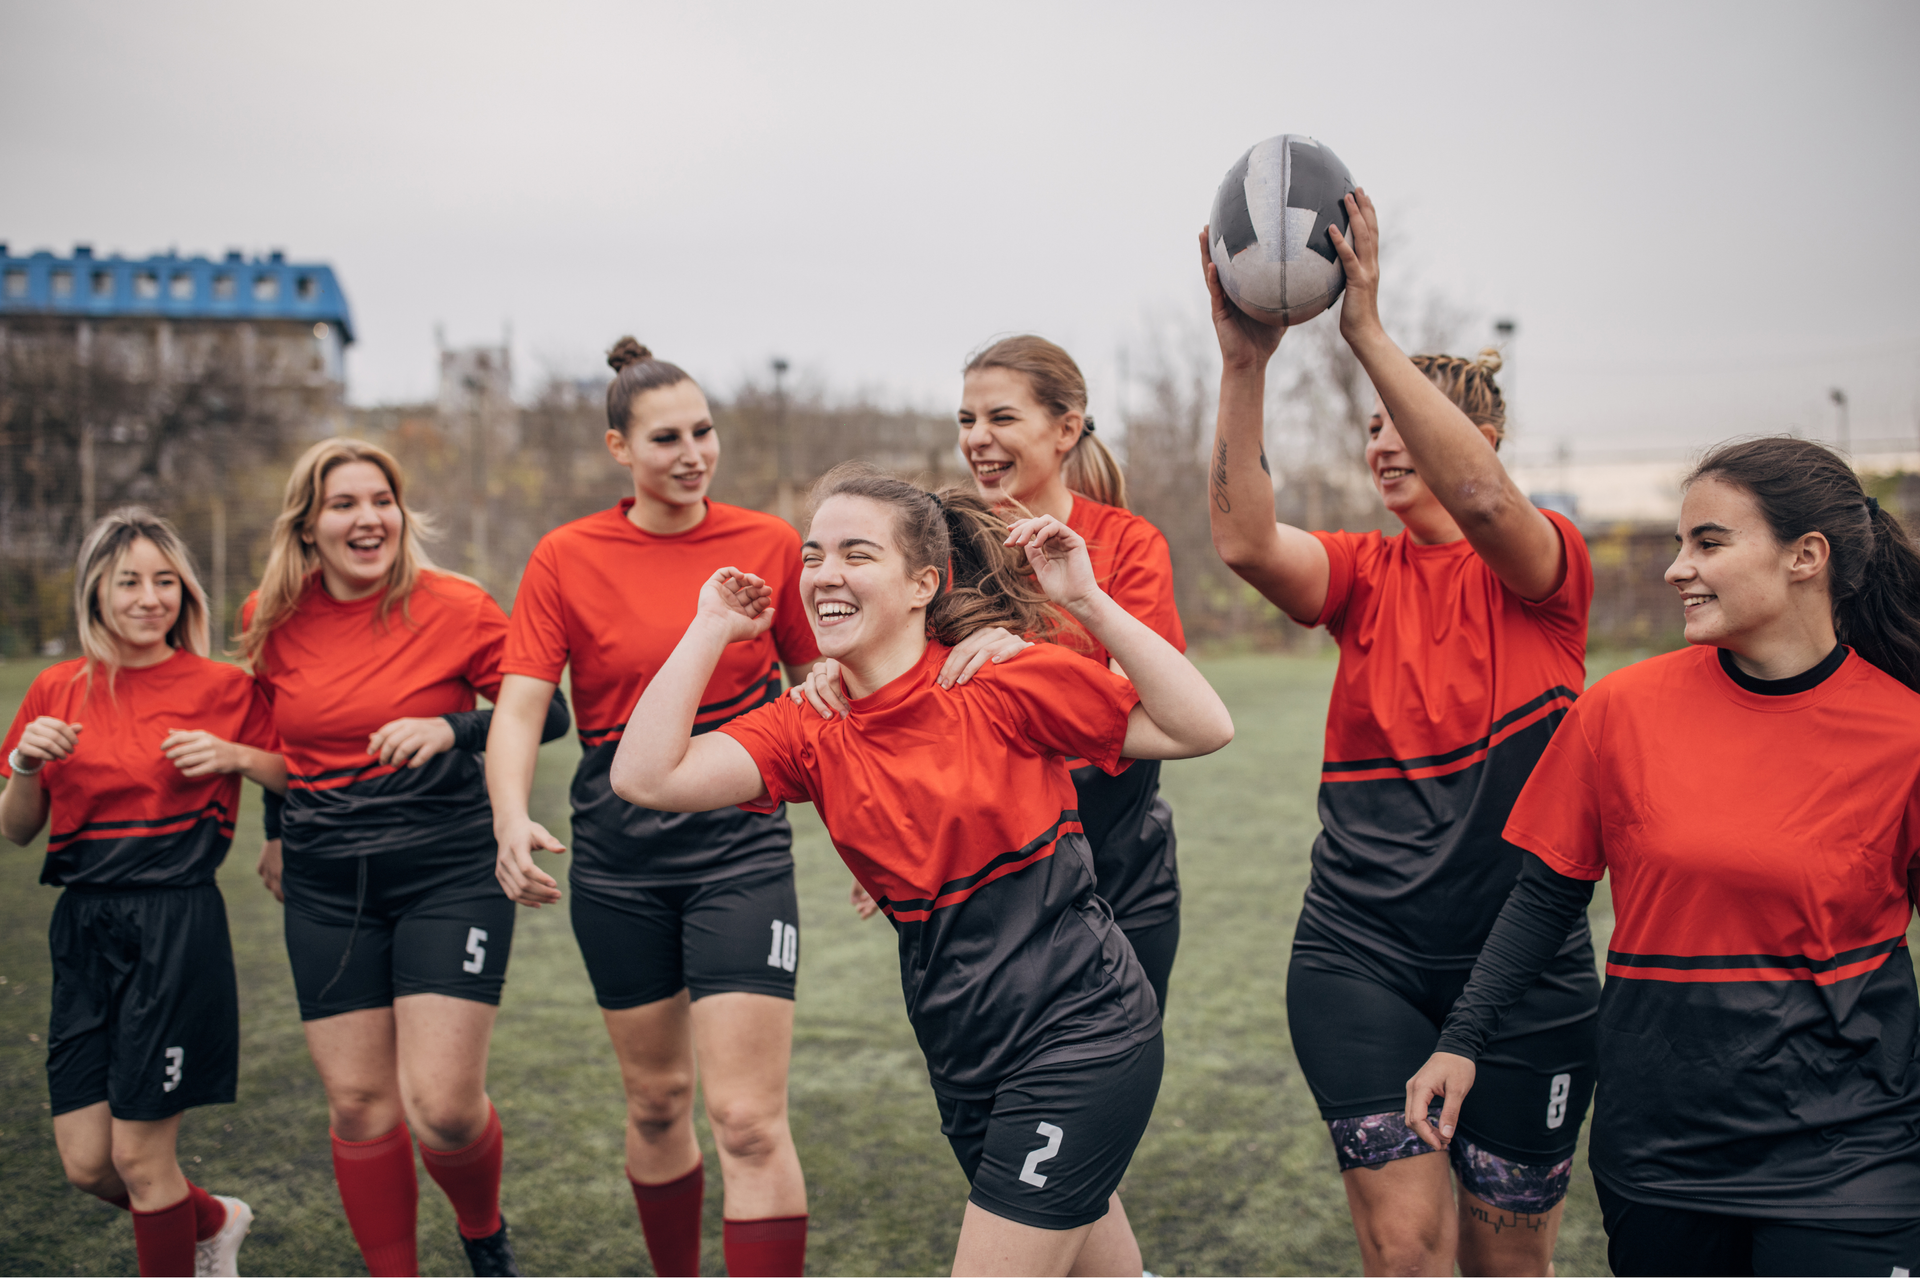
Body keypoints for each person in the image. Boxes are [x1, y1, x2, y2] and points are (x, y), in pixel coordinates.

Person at [611, 464, 1233, 1276]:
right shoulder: (808, 725)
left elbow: (1201, 726)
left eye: (857, 554)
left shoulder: (998, 678)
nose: (826, 574)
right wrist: (710, 627)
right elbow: (647, 777)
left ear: (922, 584)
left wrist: (1086, 600)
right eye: (812, 555)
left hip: (1081, 1035)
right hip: (964, 1052)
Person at [1202, 191, 1600, 1276]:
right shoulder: (1361, 577)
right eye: (1372, 423)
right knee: (1403, 1248)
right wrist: (1245, 364)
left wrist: (1366, 333)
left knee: (1506, 1263)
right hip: (1360, 953)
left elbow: (1479, 498)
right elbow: (1241, 538)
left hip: (1522, 970)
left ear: (1480, 435)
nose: (1384, 441)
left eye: (1403, 419)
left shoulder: (1543, 573)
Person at [1408, 437, 1920, 1277]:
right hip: (1661, 1149)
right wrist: (1461, 1040)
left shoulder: (1905, 734)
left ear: (1806, 556)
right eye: (1680, 543)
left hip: (1852, 1152)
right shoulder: (1622, 710)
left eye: (1708, 542)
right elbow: (1545, 900)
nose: (1677, 567)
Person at [489, 339, 819, 1278]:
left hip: (742, 850)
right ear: (617, 449)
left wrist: (874, 832)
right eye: (666, 437)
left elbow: (822, 690)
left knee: (748, 1120)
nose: (692, 452)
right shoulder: (566, 556)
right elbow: (519, 706)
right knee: (659, 1101)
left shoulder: (767, 544)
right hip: (620, 861)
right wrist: (510, 818)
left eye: (704, 431)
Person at [246, 439, 567, 1278]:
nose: (367, 518)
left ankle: (482, 1234)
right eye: (344, 504)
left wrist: (451, 728)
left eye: (380, 500)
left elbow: (549, 714)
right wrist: (276, 829)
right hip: (326, 881)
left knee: (444, 1110)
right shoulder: (268, 618)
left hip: (447, 871)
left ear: (400, 513)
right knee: (357, 1104)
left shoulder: (458, 606)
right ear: (308, 527)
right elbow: (278, 740)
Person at [795, 336, 1188, 1011]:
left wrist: (1024, 659)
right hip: (985, 883)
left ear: (1067, 430)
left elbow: (1138, 703)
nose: (977, 438)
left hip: (1120, 865)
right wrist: (833, 674)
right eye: (966, 420)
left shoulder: (1126, 543)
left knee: (1105, 1074)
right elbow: (895, 684)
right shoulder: (938, 545)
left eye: (1001, 418)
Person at [1, 507, 282, 1278]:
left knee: (141, 1156)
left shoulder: (226, 687)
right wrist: (25, 763)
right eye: (130, 581)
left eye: (165, 581)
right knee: (89, 1164)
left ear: (186, 594)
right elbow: (16, 830)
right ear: (97, 591)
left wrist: (233, 754)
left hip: (176, 922)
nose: (149, 597)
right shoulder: (56, 688)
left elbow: (297, 770)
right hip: (84, 926)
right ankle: (217, 1220)